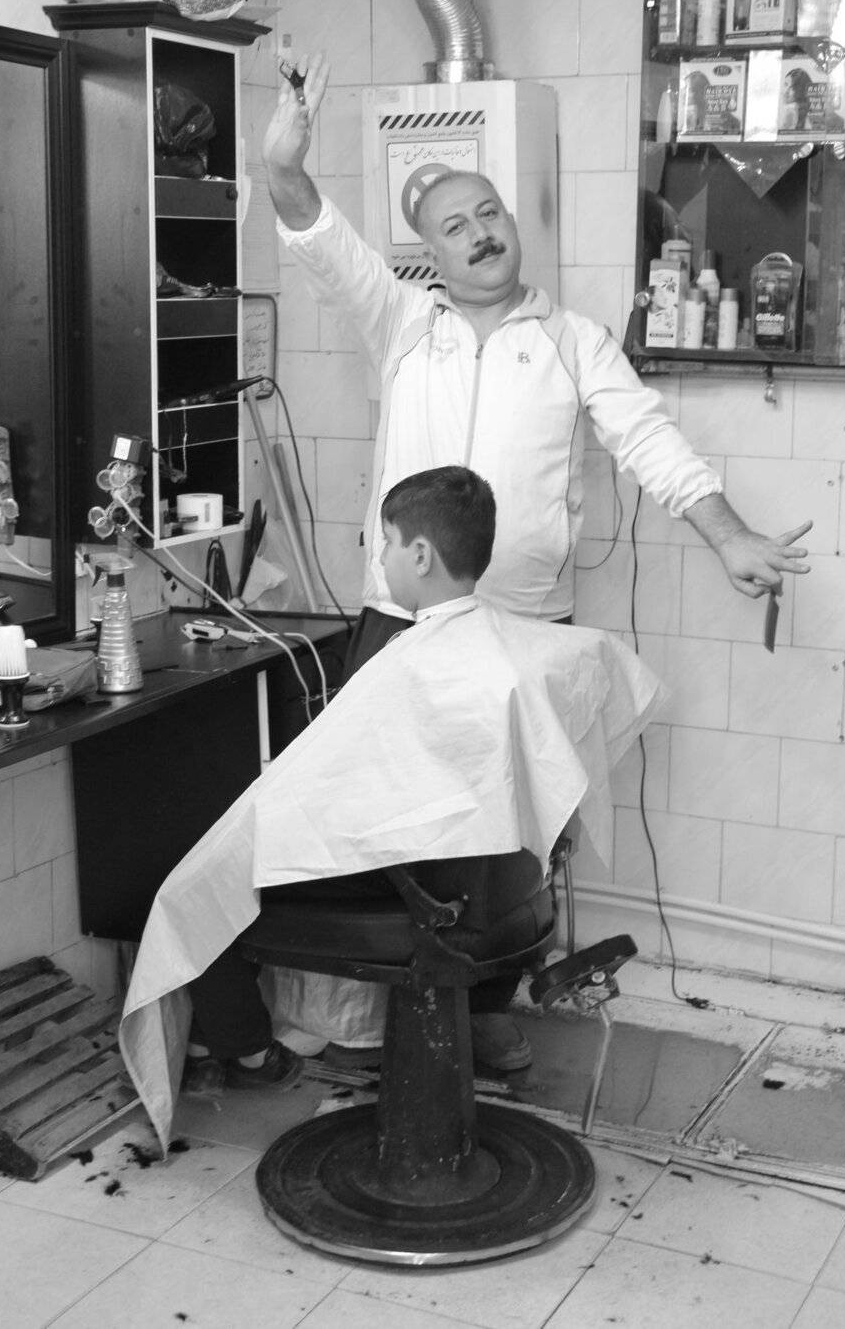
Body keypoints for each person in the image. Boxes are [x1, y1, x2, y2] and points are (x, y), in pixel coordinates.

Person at [261, 51, 812, 1065]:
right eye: (454, 225)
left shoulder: (574, 341)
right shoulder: (401, 324)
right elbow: (315, 234)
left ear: (512, 224)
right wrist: (284, 163)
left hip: (518, 627)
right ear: (429, 253)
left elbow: (648, 439)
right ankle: (385, 1012)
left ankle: (484, 1008)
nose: (479, 232)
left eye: (489, 214)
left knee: (508, 838)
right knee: (389, 816)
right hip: (402, 624)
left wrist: (728, 532)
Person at [119, 467, 664, 1155]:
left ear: (421, 555)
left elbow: (332, 792)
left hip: (429, 899)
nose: (380, 557)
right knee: (228, 870)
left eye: (386, 542)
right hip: (500, 888)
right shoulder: (528, 648)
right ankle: (230, 1044)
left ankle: (248, 1050)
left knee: (196, 887)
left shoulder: (409, 665)